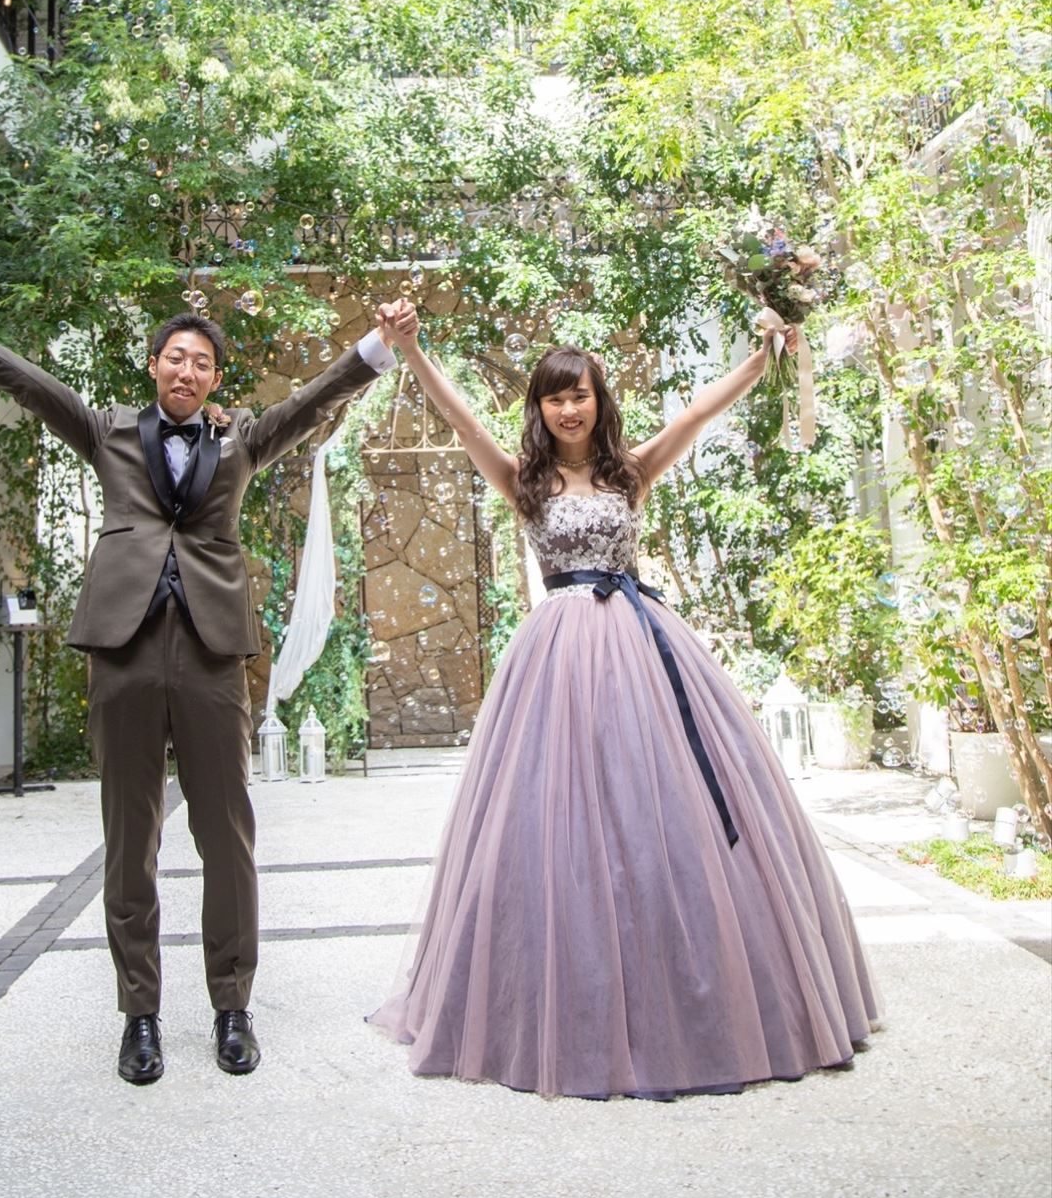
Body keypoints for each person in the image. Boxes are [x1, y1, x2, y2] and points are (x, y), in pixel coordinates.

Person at [0, 266, 397, 1086]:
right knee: (130, 835)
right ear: (154, 366)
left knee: (226, 832)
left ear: (215, 379)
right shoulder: (108, 430)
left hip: (211, 652)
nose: (187, 371)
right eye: (175, 358)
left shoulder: (241, 438)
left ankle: (232, 1007)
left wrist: (378, 346)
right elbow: (31, 383)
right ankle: (140, 1015)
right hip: (122, 648)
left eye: (202, 363)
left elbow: (312, 400)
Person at [369, 302, 882, 1100]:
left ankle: (690, 985)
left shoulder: (628, 473)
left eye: (580, 394)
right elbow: (461, 418)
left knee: (660, 809)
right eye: (554, 397)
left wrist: (762, 357)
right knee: (555, 819)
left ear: (599, 400)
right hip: (557, 660)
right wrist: (409, 350)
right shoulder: (524, 480)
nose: (568, 409)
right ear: (540, 408)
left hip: (642, 649)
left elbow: (697, 413)